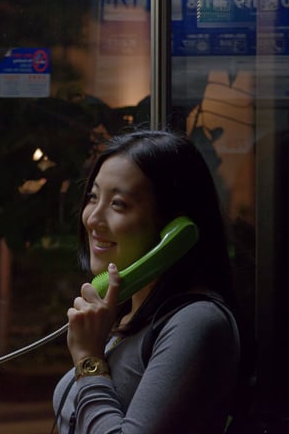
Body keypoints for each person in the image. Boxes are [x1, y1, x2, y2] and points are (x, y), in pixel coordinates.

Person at [52, 129, 241, 433]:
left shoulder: (196, 322)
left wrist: (89, 361)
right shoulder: (126, 316)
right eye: (93, 197)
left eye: (118, 204)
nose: (93, 219)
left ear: (175, 228)